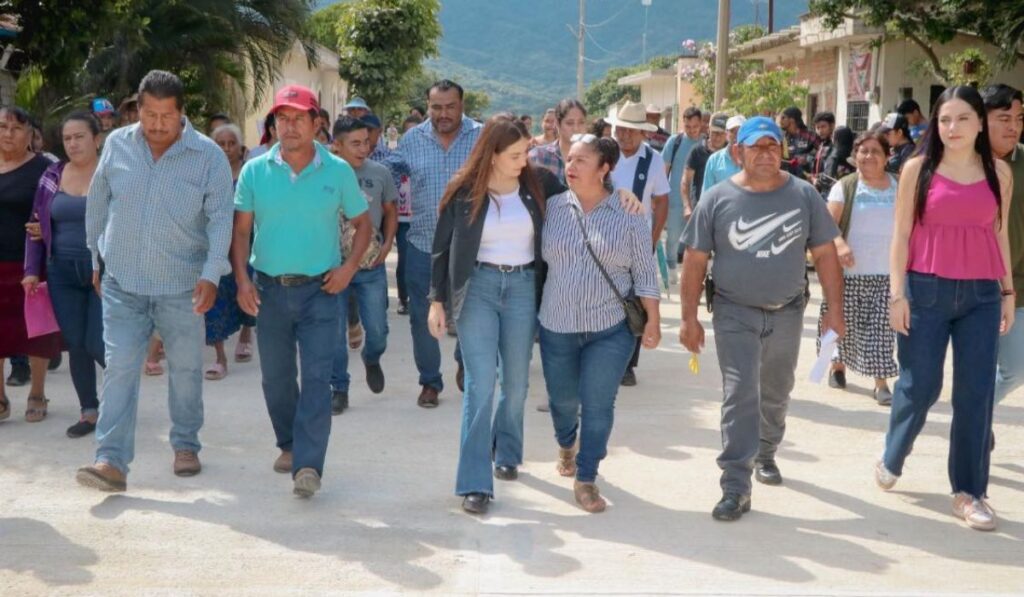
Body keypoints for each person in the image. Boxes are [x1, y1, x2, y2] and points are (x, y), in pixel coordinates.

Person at [76, 70, 235, 493]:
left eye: (166, 115)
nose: (157, 124)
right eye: (149, 114)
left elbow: (222, 220)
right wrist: (95, 254)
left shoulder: (207, 156)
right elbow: (98, 201)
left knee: (185, 370)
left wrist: (211, 273)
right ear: (137, 109)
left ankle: (185, 444)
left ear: (182, 113)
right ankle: (110, 460)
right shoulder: (117, 144)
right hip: (122, 282)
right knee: (121, 368)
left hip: (182, 286)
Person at [679, 116, 845, 522]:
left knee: (776, 390)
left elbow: (825, 254)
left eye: (773, 146)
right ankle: (735, 485)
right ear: (739, 153)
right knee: (740, 393)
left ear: (783, 151)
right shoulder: (716, 199)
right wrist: (688, 318)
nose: (766, 153)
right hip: (735, 311)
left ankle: (766, 451)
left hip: (788, 311)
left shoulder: (804, 195)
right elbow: (695, 260)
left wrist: (834, 313)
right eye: (757, 147)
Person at [881, 86, 1014, 532]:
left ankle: (969, 492)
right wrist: (897, 295)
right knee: (920, 386)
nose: (951, 128)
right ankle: (894, 452)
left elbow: (999, 234)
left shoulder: (1000, 173)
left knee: (975, 394)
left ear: (980, 123)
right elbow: (900, 236)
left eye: (961, 119)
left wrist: (1008, 293)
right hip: (926, 291)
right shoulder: (917, 169)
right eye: (944, 119)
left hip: (981, 294)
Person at [232, 85, 371, 498]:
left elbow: (364, 225)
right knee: (275, 378)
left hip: (320, 292)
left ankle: (309, 465)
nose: (289, 127)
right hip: (269, 291)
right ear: (272, 125)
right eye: (281, 118)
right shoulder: (255, 171)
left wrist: (349, 269)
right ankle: (289, 445)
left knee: (315, 378)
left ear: (316, 124)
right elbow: (241, 231)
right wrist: (241, 280)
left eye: (298, 118)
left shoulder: (337, 171)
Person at [427, 114, 546, 515]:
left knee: (515, 384)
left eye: (525, 152)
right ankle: (475, 482)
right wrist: (436, 300)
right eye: (515, 155)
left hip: (523, 289)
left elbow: (585, 195)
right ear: (492, 155)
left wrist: (622, 197)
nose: (523, 161)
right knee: (480, 385)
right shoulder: (463, 191)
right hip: (476, 288)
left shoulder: (537, 184)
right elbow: (441, 249)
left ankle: (508, 449)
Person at [539, 134, 661, 513]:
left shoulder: (630, 214)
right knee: (562, 402)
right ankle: (566, 444)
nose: (570, 167)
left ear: (605, 168)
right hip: (556, 324)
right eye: (569, 159)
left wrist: (653, 320)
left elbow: (644, 271)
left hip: (610, 328)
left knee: (598, 404)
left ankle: (587, 475)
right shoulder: (552, 207)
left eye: (581, 161)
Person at [391, 79, 482, 408]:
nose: (443, 114)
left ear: (462, 105)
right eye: (436, 107)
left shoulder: (482, 137)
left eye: (450, 107)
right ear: (428, 106)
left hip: (469, 247)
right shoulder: (411, 140)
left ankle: (464, 361)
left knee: (470, 312)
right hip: (421, 245)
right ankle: (430, 381)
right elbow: (388, 173)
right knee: (420, 317)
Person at [22, 111, 105, 437]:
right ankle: (89, 412)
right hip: (61, 274)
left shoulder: (113, 174)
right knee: (76, 343)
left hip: (105, 273)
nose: (73, 143)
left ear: (96, 139)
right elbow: (34, 225)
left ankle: (122, 398)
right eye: (68, 138)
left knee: (98, 343)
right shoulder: (52, 175)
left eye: (80, 136)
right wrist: (31, 270)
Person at [820, 130, 899, 404]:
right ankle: (833, 364)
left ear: (888, 156)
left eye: (875, 151)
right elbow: (827, 223)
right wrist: (840, 245)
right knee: (842, 323)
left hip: (887, 274)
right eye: (863, 151)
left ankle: (881, 384)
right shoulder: (845, 186)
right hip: (848, 274)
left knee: (881, 330)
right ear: (855, 156)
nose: (868, 157)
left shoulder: (899, 186)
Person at [328, 116, 397, 413]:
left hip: (370, 267)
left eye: (366, 142)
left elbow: (391, 211)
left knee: (378, 329)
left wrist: (387, 244)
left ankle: (372, 357)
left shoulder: (380, 173)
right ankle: (339, 389)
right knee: (334, 334)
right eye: (355, 143)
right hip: (334, 267)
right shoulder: (324, 174)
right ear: (337, 146)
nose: (363, 149)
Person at [0, 106, 61, 424]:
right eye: (2, 127)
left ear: (30, 134)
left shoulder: (45, 169)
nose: (8, 134)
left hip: (30, 264)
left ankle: (37, 393)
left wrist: (48, 226)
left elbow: (62, 205)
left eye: (16, 128)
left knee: (35, 331)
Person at [608, 100, 670, 387]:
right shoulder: (603, 154)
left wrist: (653, 239)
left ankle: (627, 364)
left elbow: (661, 200)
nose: (624, 136)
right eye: (620, 129)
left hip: (638, 240)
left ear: (643, 133)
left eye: (631, 131)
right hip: (603, 238)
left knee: (634, 302)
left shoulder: (652, 160)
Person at [203, 123, 256, 380]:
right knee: (215, 297)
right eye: (220, 144)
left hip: (247, 241)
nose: (226, 148)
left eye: (231, 143)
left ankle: (247, 331)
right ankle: (220, 356)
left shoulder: (249, 173)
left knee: (246, 286)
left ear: (240, 146)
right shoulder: (206, 173)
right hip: (216, 243)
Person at [986, 84, 1024, 411]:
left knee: (1014, 369)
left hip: (1018, 286)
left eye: (1019, 118)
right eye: (1005, 118)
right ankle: (974, 420)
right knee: (1003, 368)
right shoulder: (966, 165)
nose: (1014, 126)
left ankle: (973, 417)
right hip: (979, 285)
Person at [662, 107, 702, 267]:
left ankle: (688, 271)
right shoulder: (674, 142)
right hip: (675, 201)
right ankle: (671, 269)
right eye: (688, 127)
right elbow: (663, 171)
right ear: (682, 124)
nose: (692, 130)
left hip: (698, 201)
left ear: (701, 124)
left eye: (695, 126)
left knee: (693, 242)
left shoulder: (706, 144)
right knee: (672, 238)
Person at [528, 99, 587, 187]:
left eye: (581, 122)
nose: (576, 128)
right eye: (570, 123)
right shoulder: (539, 156)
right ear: (558, 124)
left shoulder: (595, 158)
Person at [683, 112, 728, 217]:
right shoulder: (697, 151)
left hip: (724, 213)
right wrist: (687, 207)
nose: (717, 137)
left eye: (721, 133)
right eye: (714, 132)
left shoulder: (733, 154)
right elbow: (685, 181)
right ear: (708, 130)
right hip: (700, 212)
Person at [701, 115, 746, 195]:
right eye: (732, 131)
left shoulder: (752, 159)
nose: (736, 135)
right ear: (726, 134)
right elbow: (706, 193)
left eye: (740, 131)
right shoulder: (714, 160)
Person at [778, 106, 820, 179]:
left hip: (806, 180)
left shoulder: (810, 135)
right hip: (787, 179)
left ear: (792, 119)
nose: (780, 121)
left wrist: (807, 158)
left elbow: (824, 155)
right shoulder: (782, 137)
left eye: (783, 118)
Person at [816, 126, 856, 197]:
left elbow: (828, 177)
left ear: (836, 138)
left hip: (834, 193)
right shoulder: (855, 154)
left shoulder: (834, 155)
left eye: (833, 135)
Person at [810, 112, 836, 190]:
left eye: (823, 126)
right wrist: (813, 179)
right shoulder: (821, 145)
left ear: (832, 126)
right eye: (818, 128)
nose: (820, 131)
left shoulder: (836, 146)